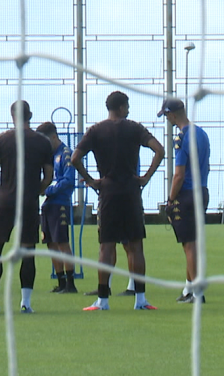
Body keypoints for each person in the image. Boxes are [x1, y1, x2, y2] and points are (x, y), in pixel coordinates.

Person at [70, 91, 165, 311]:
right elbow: (159, 150)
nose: (128, 110)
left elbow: (75, 158)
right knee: (135, 246)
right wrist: (146, 177)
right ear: (122, 108)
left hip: (108, 192)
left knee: (106, 246)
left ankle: (103, 300)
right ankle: (140, 299)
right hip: (131, 191)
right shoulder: (134, 128)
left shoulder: (95, 130)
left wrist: (92, 181)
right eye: (127, 106)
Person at [0, 101, 54, 314]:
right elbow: (48, 176)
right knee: (28, 251)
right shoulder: (42, 142)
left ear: (12, 116)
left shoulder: (3, 139)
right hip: (29, 203)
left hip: (5, 201)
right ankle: (26, 303)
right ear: (30, 115)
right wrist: (37, 191)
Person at [159, 98, 211, 303]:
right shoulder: (202, 133)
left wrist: (170, 199)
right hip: (202, 191)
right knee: (193, 244)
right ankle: (189, 289)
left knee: (189, 246)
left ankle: (197, 292)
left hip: (187, 194)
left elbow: (179, 175)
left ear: (171, 114)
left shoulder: (181, 138)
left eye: (166, 115)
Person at [35, 121, 78, 294]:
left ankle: (70, 283)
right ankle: (60, 281)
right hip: (48, 204)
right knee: (50, 243)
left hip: (60, 202)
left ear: (53, 137)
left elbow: (68, 180)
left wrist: (48, 189)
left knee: (62, 242)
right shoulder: (50, 155)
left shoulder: (65, 154)